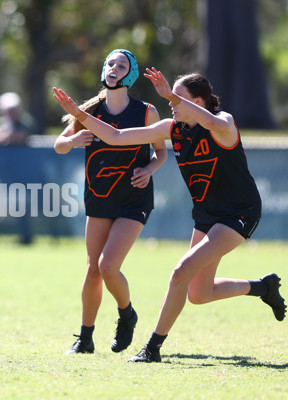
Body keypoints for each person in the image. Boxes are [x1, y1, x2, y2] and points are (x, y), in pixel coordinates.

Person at [53, 67, 286, 363]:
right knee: (199, 293)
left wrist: (169, 93)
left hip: (240, 212)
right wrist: (79, 114)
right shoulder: (172, 128)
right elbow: (116, 135)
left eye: (178, 98)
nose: (171, 103)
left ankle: (152, 348)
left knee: (180, 272)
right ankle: (263, 287)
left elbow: (213, 120)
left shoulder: (222, 123)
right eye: (170, 98)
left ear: (198, 103)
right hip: (207, 214)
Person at [54, 49, 168, 355]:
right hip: (99, 197)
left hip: (133, 199)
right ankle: (85, 338)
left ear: (130, 75)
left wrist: (149, 168)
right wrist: (74, 140)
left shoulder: (146, 112)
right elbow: (59, 145)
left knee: (107, 265)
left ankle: (126, 314)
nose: (113, 68)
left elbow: (161, 151)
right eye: (110, 63)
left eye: (121, 65)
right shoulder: (89, 110)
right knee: (93, 269)